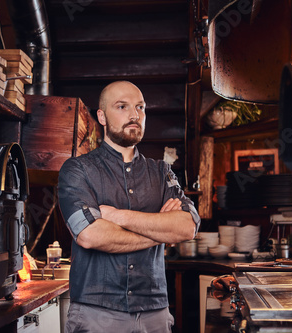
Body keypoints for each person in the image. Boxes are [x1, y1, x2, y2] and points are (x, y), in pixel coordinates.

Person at [58, 81, 201, 333]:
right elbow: (90, 235)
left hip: (154, 312)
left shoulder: (161, 171)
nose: (135, 115)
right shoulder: (77, 170)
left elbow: (187, 227)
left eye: (140, 107)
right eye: (122, 106)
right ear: (101, 116)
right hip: (96, 312)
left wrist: (117, 216)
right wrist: (159, 232)